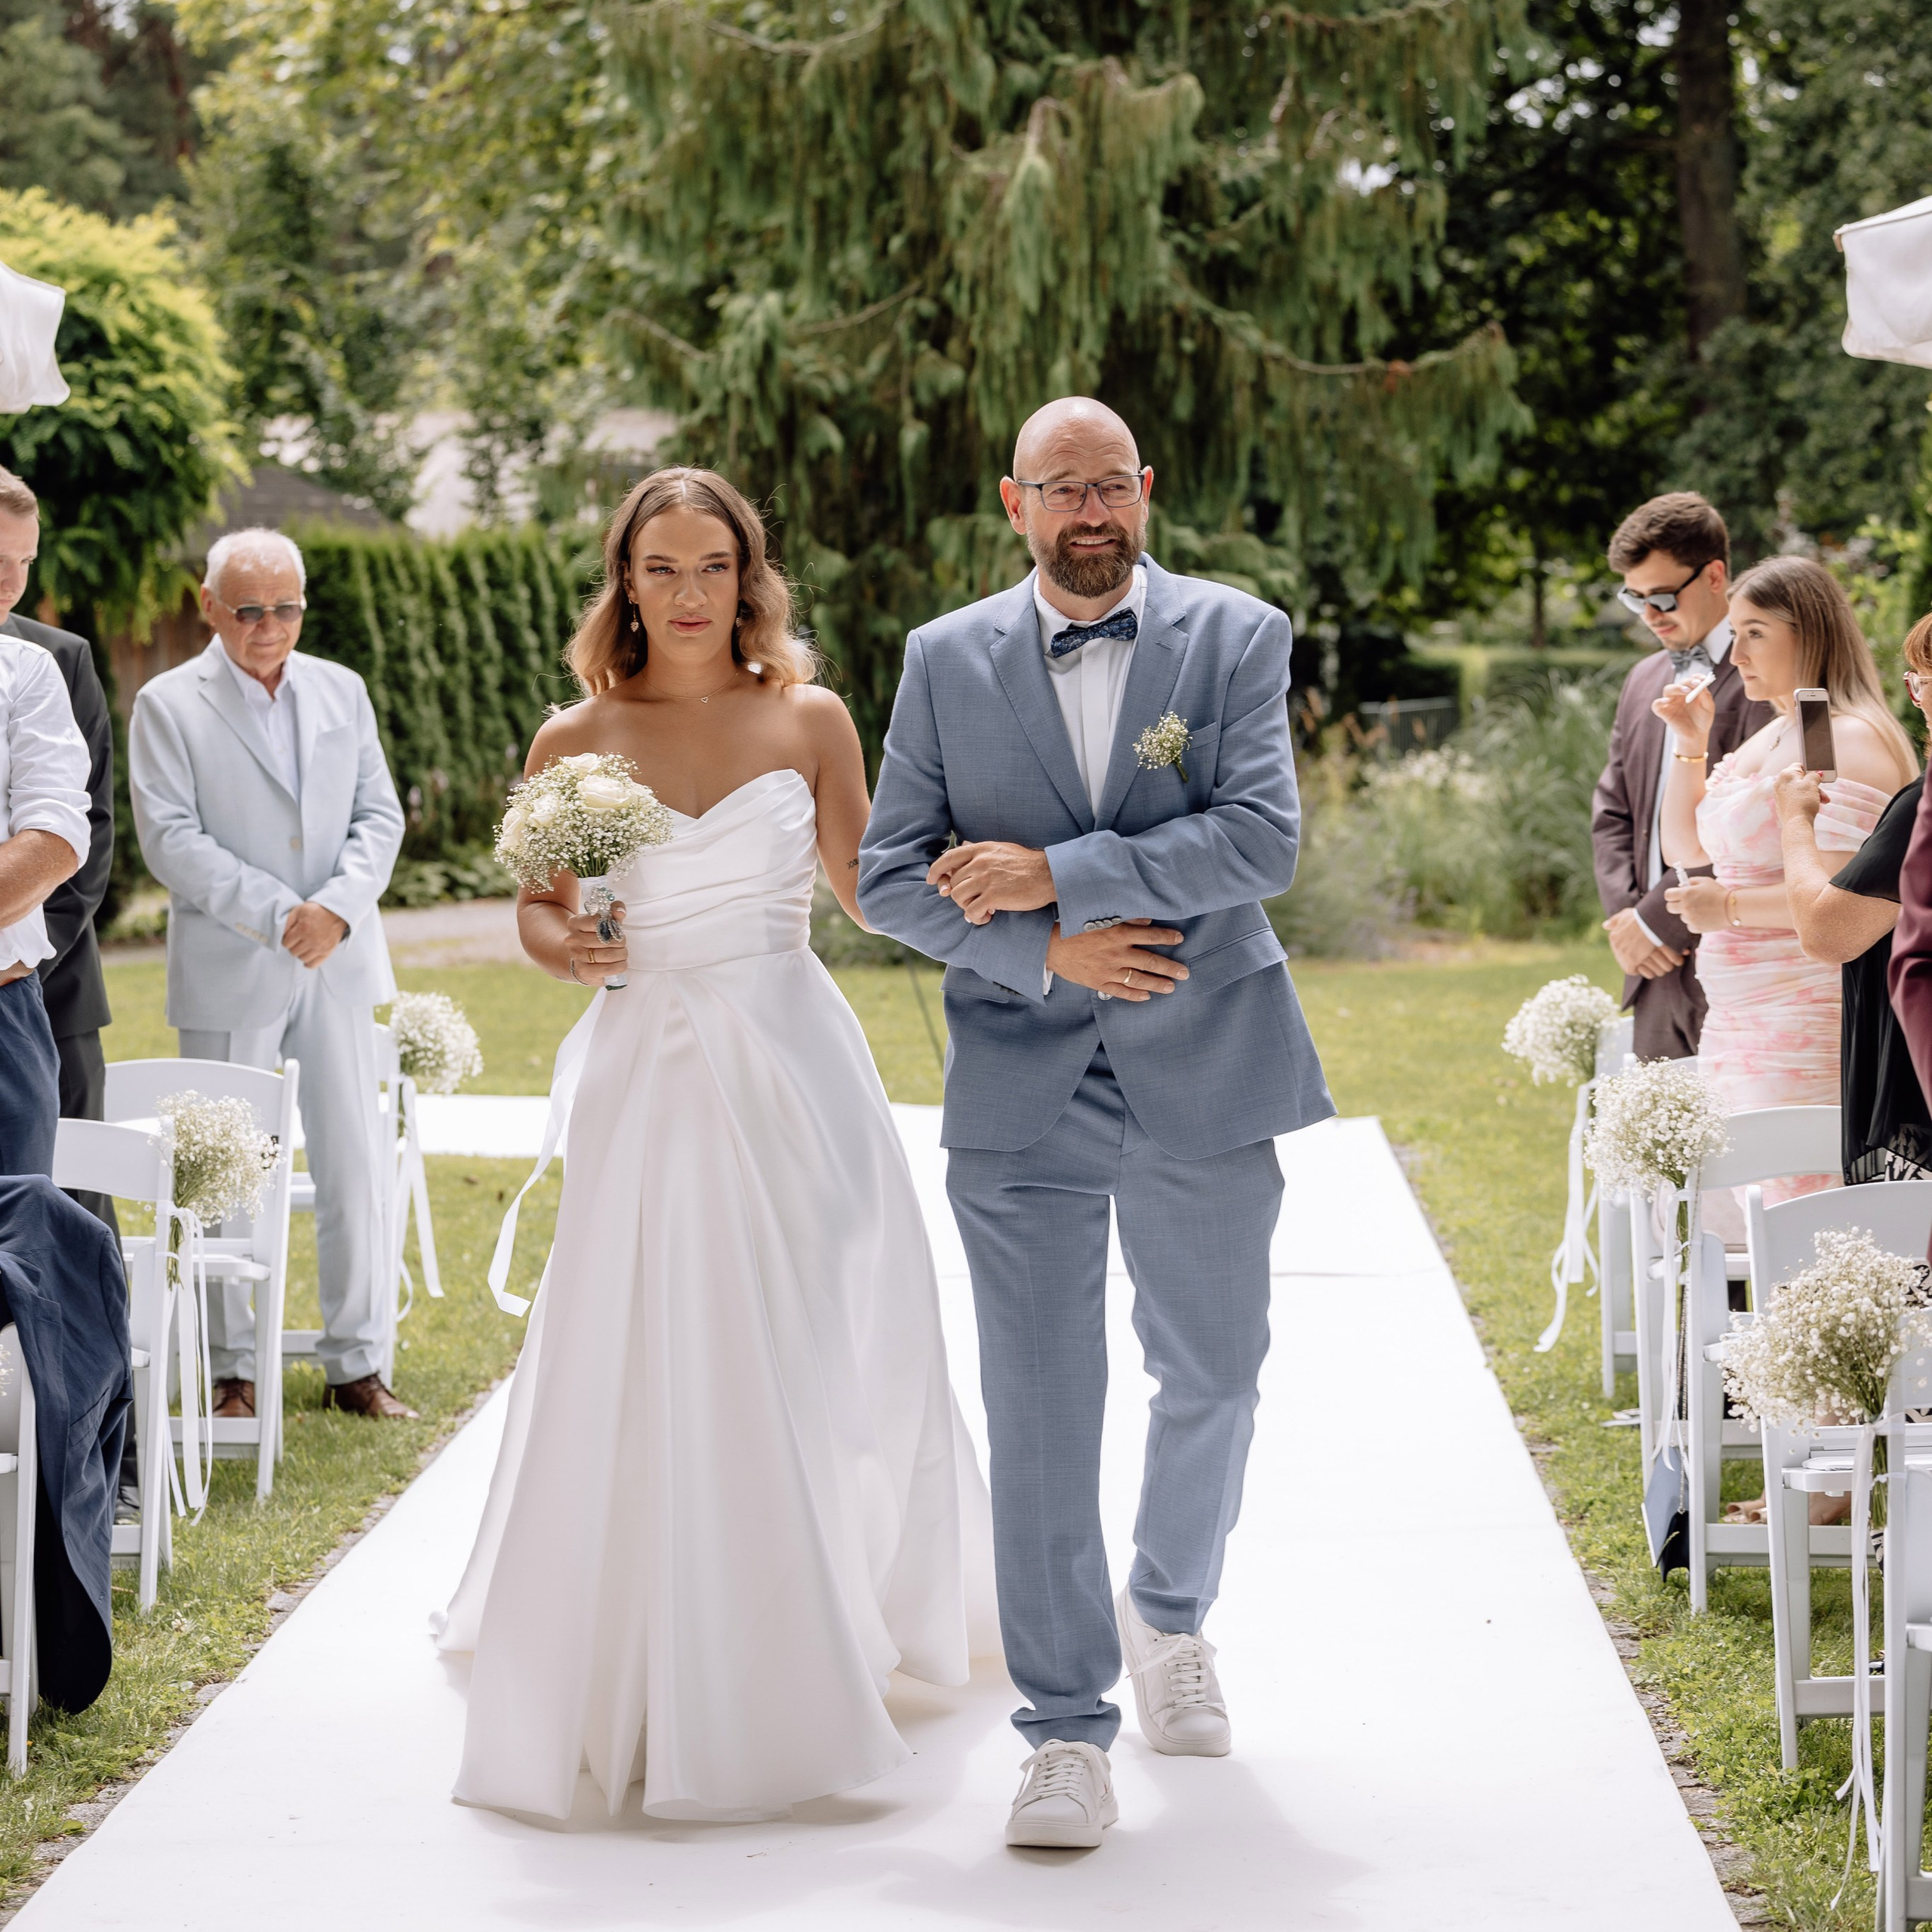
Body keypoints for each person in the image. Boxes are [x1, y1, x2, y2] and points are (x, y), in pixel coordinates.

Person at [438, 467, 992, 1824]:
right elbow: (538, 910)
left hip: (794, 1061)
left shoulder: (809, 717)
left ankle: (829, 1602)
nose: (689, 596)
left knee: (817, 1319)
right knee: (648, 1335)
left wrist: (1014, 898)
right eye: (662, 569)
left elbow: (867, 886)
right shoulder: (571, 737)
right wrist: (566, 945)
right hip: (647, 1068)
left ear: (752, 578)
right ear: (622, 580)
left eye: (713, 568)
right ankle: (654, 1649)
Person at [858, 396, 1333, 1850]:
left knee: (1217, 1372)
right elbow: (887, 878)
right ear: (1015, 501)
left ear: (1147, 489)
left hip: (1208, 1056)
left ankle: (1171, 1613)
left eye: (1111, 485)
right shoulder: (946, 660)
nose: (1090, 513)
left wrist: (1061, 876)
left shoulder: (1237, 636)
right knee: (1045, 1410)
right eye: (1061, 488)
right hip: (1023, 1083)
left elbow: (1262, 837)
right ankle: (1064, 1733)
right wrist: (1037, 949)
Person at [128, 528, 411, 1422]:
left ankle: (357, 1363)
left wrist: (334, 906)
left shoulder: (345, 689)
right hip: (230, 961)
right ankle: (229, 1370)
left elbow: (380, 816)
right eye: (248, 609)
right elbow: (169, 838)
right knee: (221, 1174)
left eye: (285, 607)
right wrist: (276, 911)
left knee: (352, 1161)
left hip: (338, 956)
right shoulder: (168, 704)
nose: (268, 625)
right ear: (208, 606)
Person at [1654, 555, 1916, 1221]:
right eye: (1734, 634)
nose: (1735, 653)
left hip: (1803, 1016)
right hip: (1737, 1020)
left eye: (1756, 633)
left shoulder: (1839, 737)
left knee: (1794, 1216)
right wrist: (1690, 744)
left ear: (1811, 633)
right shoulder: (1773, 734)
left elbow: (1837, 896)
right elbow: (1685, 849)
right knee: (1733, 1218)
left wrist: (1729, 908)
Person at [1592, 493, 1774, 1060]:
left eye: (1664, 596)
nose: (1650, 615)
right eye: (1635, 598)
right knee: (1657, 1147)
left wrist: (1653, 924)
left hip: (1740, 960)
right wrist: (1627, 921)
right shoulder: (1642, 680)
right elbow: (1612, 811)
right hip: (1652, 975)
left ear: (1715, 575)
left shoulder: (1769, 679)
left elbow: (1758, 822)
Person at [1776, 610, 1932, 1183]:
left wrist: (1795, 820)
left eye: (1921, 681)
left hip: (1918, 1108)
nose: (1916, 698)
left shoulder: (1923, 810)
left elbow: (1827, 932)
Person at [0, 468, 118, 1230]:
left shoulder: (43, 665)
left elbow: (77, 830)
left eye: (24, 560)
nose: (11, 580)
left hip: (33, 977)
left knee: (59, 1224)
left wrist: (29, 940)